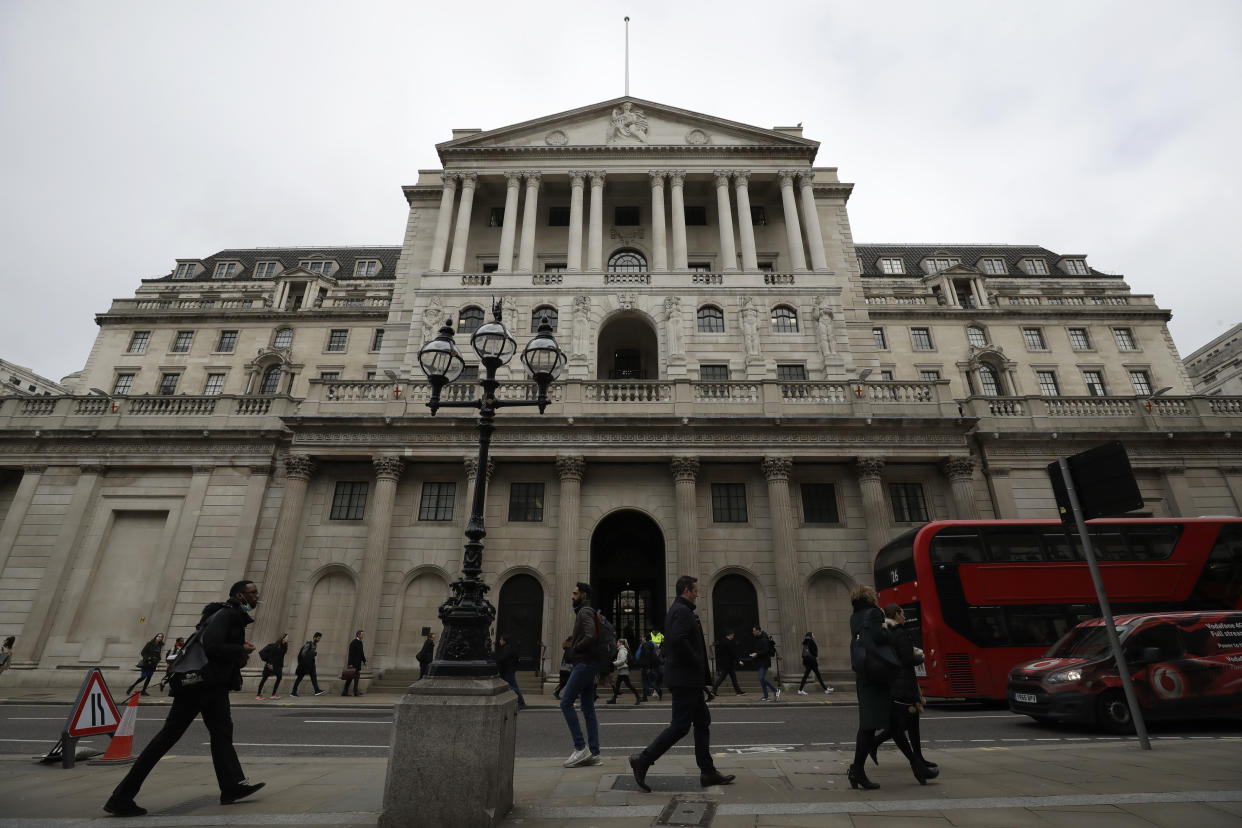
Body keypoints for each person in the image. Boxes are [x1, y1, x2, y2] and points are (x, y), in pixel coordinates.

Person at [103, 580, 265, 817]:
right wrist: (240, 650)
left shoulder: (230, 614)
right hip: (199, 686)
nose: (256, 596)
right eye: (252, 593)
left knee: (222, 733)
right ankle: (121, 797)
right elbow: (212, 645)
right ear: (240, 596)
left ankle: (231, 787)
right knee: (167, 737)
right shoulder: (227, 614)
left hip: (213, 686)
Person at [629, 576, 735, 792]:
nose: (697, 594)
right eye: (695, 590)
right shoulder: (682, 611)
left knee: (702, 720)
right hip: (685, 679)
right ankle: (643, 759)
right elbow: (677, 640)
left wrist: (699, 675)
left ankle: (708, 772)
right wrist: (696, 660)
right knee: (680, 726)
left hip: (688, 679)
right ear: (687, 590)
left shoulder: (680, 610)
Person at [847, 584, 922, 790]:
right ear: (870, 597)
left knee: (883, 724)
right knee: (870, 726)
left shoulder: (854, 617)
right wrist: (888, 632)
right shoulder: (873, 613)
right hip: (877, 674)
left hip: (865, 673)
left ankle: (916, 763)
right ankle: (857, 770)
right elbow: (880, 637)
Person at [871, 605, 939, 779]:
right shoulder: (900, 632)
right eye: (902, 612)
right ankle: (915, 762)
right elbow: (906, 659)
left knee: (909, 723)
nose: (904, 615)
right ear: (897, 615)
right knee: (901, 726)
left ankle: (918, 758)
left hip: (896, 682)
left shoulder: (887, 631)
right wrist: (920, 657)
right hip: (903, 683)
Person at [560, 582, 600, 768]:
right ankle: (594, 753)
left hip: (583, 664)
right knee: (587, 707)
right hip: (590, 663)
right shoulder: (587, 611)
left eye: (575, 593)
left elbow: (590, 635)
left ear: (583, 595)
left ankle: (580, 747)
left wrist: (576, 647)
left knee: (566, 702)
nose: (572, 596)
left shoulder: (584, 612)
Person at [495, 633, 527, 708]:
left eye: (501, 639)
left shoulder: (507, 648)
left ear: (504, 641)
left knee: (513, 687)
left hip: (508, 671)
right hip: (508, 671)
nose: (499, 641)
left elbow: (502, 659)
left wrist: (496, 661)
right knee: (512, 687)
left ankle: (521, 703)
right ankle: (520, 702)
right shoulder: (507, 648)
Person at [290, 632, 327, 697]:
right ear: (314, 637)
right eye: (318, 638)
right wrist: (312, 654)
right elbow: (303, 654)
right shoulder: (308, 644)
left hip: (311, 664)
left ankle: (317, 690)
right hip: (305, 665)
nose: (319, 640)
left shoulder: (315, 645)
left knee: (314, 677)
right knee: (299, 678)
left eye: (319, 639)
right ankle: (293, 692)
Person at [607, 639, 641, 705]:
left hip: (623, 670)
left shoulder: (622, 650)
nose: (617, 643)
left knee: (628, 685)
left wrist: (614, 663)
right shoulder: (621, 650)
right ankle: (614, 699)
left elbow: (622, 660)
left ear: (621, 643)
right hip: (622, 669)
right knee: (618, 685)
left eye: (618, 642)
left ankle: (638, 697)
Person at [711, 630, 745, 696]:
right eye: (733, 635)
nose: (733, 636)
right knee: (722, 678)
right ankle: (713, 691)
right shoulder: (728, 642)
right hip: (728, 664)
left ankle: (738, 691)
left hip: (727, 664)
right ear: (730, 635)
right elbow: (732, 653)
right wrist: (739, 661)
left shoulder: (723, 641)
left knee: (732, 678)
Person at [750, 625, 779, 700]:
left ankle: (775, 690)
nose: (753, 632)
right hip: (760, 661)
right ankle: (766, 696)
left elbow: (765, 650)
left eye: (754, 630)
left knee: (761, 678)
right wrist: (755, 653)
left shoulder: (764, 639)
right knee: (761, 679)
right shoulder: (757, 638)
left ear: (758, 631)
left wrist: (757, 653)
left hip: (764, 661)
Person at [255, 633, 288, 700]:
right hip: (270, 665)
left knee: (279, 678)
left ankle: (273, 694)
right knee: (264, 679)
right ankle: (258, 694)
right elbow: (262, 652)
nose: (288, 639)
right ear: (283, 638)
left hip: (278, 666)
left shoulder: (284, 647)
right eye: (287, 637)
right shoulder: (273, 646)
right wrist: (269, 662)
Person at [638, 632, 663, 701]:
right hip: (649, 666)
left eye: (642, 637)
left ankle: (657, 691)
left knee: (646, 681)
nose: (641, 638)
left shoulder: (645, 645)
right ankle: (645, 697)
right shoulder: (651, 644)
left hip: (646, 666)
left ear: (645, 638)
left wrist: (648, 667)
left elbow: (647, 657)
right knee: (648, 681)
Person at [341, 630, 365, 696]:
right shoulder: (353, 642)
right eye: (362, 634)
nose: (363, 636)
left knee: (352, 678)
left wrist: (364, 660)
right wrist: (350, 664)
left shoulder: (360, 642)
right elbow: (350, 654)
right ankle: (354, 692)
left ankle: (347, 692)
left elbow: (361, 653)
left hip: (357, 663)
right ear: (358, 635)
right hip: (353, 664)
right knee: (352, 678)